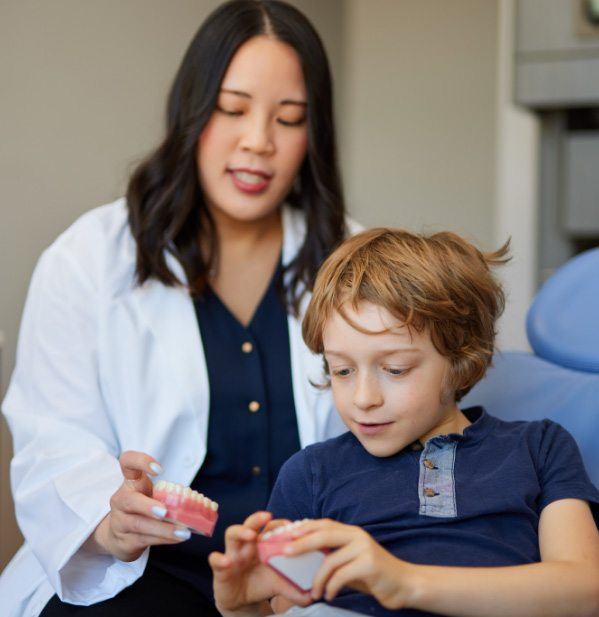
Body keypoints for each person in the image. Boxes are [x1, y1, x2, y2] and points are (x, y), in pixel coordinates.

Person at [0, 1, 359, 615]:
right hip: (142, 571)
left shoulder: (356, 260)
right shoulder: (88, 258)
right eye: (232, 108)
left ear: (314, 134)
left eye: (290, 118)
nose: (258, 142)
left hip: (304, 577)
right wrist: (109, 522)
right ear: (191, 110)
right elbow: (52, 439)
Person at [209, 228, 599, 617]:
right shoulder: (311, 473)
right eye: (342, 370)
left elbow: (586, 590)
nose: (363, 398)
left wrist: (402, 581)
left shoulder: (538, 448)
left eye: (395, 370)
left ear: (461, 359)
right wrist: (241, 608)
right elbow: (284, 605)